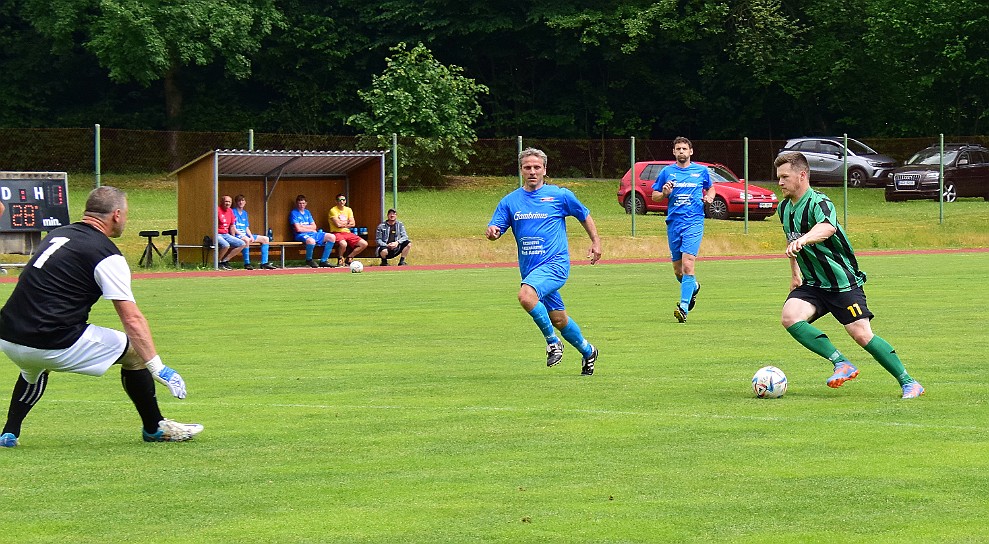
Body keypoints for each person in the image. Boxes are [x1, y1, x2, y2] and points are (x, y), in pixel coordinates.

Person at [0, 186, 203, 447]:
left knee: (33, 368)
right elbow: (132, 319)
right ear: (117, 215)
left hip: (9, 336)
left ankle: (9, 433)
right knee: (135, 353)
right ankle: (154, 428)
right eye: (126, 215)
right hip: (51, 341)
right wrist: (157, 367)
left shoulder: (58, 234)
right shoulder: (106, 254)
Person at [775, 151, 924, 399]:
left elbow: (827, 227)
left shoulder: (819, 203)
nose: (780, 182)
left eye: (784, 177)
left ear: (802, 175)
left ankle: (909, 382)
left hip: (841, 283)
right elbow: (793, 243)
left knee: (862, 334)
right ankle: (841, 363)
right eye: (778, 177)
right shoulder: (784, 209)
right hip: (813, 283)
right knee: (790, 317)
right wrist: (795, 273)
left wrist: (804, 239)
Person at [486, 147, 602, 376]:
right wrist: (493, 232)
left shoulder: (560, 195)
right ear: (521, 170)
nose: (532, 171)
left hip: (555, 265)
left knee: (526, 296)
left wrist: (596, 242)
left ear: (544, 170)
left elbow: (584, 214)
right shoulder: (510, 201)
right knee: (558, 319)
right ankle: (588, 351)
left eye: (536, 167)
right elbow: (496, 227)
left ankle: (552, 343)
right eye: (527, 167)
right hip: (530, 270)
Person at [651, 136, 715, 323]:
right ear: (674, 152)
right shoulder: (666, 172)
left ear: (690, 152)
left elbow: (711, 189)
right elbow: (655, 196)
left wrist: (709, 198)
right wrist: (664, 193)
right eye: (678, 149)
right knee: (679, 271)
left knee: (688, 264)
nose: (681, 152)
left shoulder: (701, 171)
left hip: (694, 222)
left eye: (684, 149)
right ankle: (693, 286)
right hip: (674, 223)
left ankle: (683, 307)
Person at [290, 194, 336, 268]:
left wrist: (303, 226)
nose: (301, 205)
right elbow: (298, 229)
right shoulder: (294, 213)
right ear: (297, 204)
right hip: (301, 235)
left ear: (306, 203)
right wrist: (309, 228)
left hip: (312, 233)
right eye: (300, 203)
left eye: (303, 203)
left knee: (332, 237)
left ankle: (324, 260)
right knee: (311, 241)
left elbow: (314, 226)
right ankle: (309, 260)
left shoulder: (307, 212)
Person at [232, 194, 276, 270]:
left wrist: (251, 236)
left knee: (265, 239)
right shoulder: (233, 212)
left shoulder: (245, 213)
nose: (241, 202)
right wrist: (242, 235)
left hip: (245, 234)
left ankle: (264, 263)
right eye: (239, 200)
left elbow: (246, 227)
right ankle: (247, 263)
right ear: (236, 202)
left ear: (245, 202)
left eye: (242, 200)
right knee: (246, 240)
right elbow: (233, 227)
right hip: (237, 235)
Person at [328, 194, 368, 266]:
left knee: (364, 244)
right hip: (336, 232)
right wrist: (347, 223)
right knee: (343, 244)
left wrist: (343, 223)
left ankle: (350, 257)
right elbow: (338, 225)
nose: (342, 202)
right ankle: (340, 258)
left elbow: (353, 223)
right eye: (340, 200)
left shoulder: (348, 210)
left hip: (347, 233)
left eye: (343, 200)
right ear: (336, 201)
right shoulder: (333, 210)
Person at [216, 194, 246, 270]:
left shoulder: (230, 211)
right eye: (226, 201)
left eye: (229, 202)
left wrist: (233, 236)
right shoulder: (217, 210)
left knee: (242, 243)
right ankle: (217, 262)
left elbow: (232, 226)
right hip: (217, 234)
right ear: (222, 202)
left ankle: (225, 261)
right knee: (226, 245)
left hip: (226, 234)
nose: (228, 203)